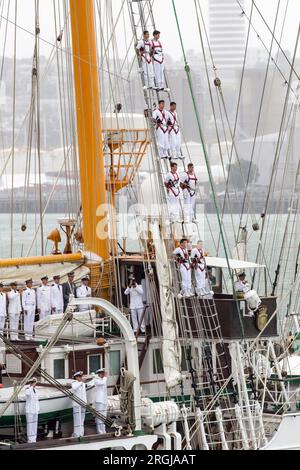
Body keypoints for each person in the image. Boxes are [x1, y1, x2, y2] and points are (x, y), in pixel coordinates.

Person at [71, 371, 87, 438]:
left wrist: (85, 403)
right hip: (77, 405)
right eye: (79, 376)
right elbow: (74, 388)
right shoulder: (74, 383)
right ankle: (77, 434)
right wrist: (81, 382)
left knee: (82, 420)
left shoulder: (82, 384)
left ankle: (81, 433)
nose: (81, 378)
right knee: (77, 420)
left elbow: (84, 395)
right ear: (76, 377)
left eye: (81, 376)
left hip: (83, 404)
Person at [25, 377, 39, 443]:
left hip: (35, 410)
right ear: (30, 383)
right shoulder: (28, 389)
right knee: (30, 425)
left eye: (35, 382)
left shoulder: (36, 390)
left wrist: (38, 409)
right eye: (33, 382)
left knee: (35, 425)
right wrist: (31, 387)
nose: (34, 384)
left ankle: (34, 439)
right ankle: (30, 439)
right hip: (29, 410)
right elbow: (27, 394)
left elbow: (37, 400)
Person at [94, 368, 108, 434]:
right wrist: (105, 377)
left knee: (104, 416)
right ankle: (99, 431)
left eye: (103, 373)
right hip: (99, 400)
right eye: (102, 373)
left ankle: (103, 430)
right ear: (99, 374)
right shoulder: (96, 380)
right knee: (99, 417)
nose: (103, 374)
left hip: (104, 400)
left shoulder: (103, 380)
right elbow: (102, 383)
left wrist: (104, 378)